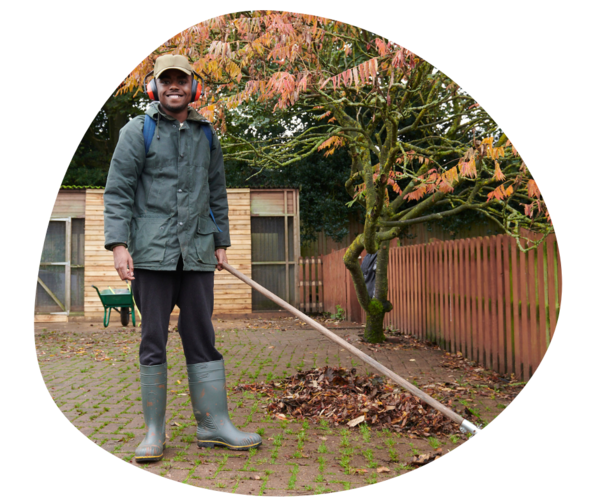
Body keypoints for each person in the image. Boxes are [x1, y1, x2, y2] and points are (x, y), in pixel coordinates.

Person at [104, 54, 262, 463]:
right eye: (166, 80)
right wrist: (119, 246)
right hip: (151, 256)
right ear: (154, 88)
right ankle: (154, 432)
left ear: (194, 88)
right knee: (152, 340)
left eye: (182, 80)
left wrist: (221, 242)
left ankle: (213, 424)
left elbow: (217, 193)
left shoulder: (206, 134)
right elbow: (118, 193)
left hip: (196, 253)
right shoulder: (135, 132)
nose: (174, 86)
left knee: (201, 336)